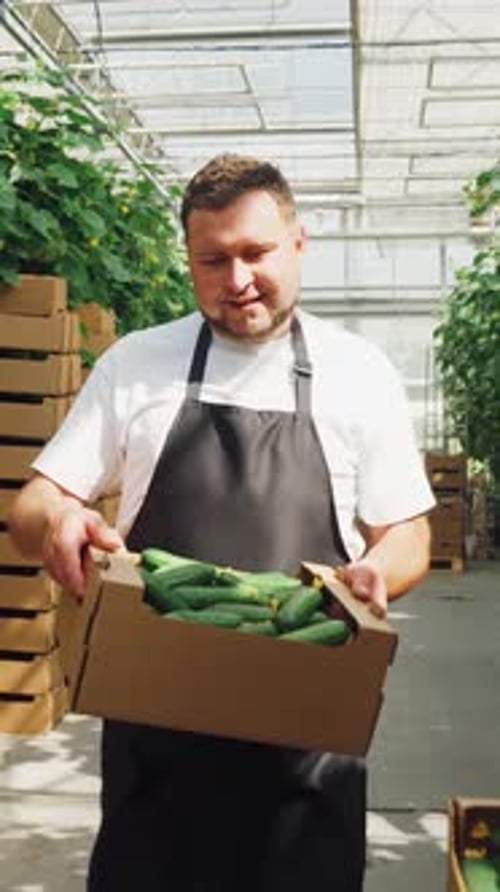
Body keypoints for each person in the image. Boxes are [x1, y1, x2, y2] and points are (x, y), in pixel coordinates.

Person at [8, 153, 434, 891]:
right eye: (213, 260)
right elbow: (35, 501)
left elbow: (408, 534)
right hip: (158, 752)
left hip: (307, 750)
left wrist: (377, 571)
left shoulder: (359, 372)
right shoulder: (139, 364)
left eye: (256, 253)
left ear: (298, 244)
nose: (237, 281)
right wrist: (61, 522)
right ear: (188, 259)